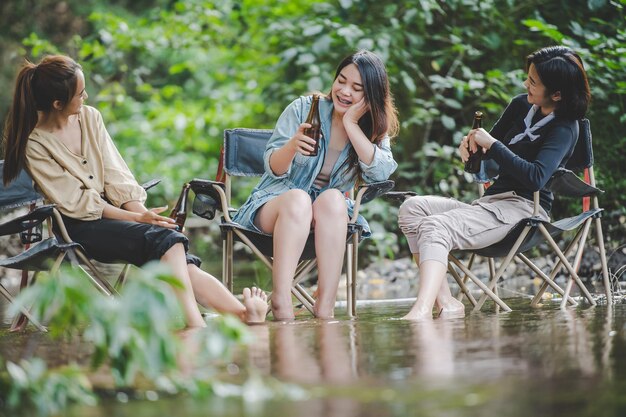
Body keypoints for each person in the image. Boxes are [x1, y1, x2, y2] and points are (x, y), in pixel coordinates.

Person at [2, 55, 268, 328]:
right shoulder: (35, 144)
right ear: (58, 103)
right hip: (77, 226)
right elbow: (78, 203)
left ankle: (243, 316)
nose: (86, 97)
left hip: (116, 216)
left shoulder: (91, 117)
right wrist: (137, 220)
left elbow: (117, 176)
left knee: (169, 243)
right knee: (169, 242)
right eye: (80, 94)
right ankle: (197, 325)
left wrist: (146, 216)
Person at [398, 45, 591, 320]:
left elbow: (536, 178)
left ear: (557, 93)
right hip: (490, 205)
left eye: (533, 81)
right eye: (528, 77)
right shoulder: (520, 104)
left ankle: (420, 310)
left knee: (435, 225)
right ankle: (446, 302)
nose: (526, 83)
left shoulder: (564, 128)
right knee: (412, 207)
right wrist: (471, 149)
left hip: (525, 210)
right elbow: (486, 157)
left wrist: (494, 144)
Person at [233, 50, 399, 320]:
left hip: (325, 218)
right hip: (277, 206)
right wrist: (291, 146)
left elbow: (380, 174)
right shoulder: (303, 108)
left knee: (334, 199)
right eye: (341, 81)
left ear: (370, 96)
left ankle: (326, 305)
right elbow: (273, 168)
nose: (344, 91)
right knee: (298, 198)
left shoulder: (374, 128)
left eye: (356, 88)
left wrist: (351, 124)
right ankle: (282, 302)